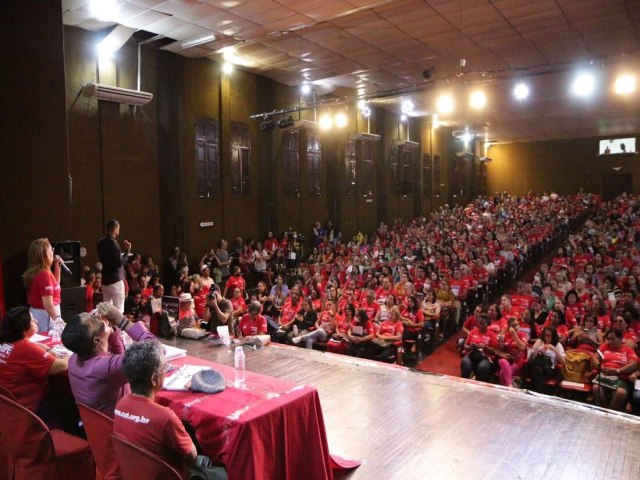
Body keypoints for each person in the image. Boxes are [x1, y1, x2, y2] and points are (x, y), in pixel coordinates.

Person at [113, 341, 226, 480]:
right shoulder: (165, 417)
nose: (165, 371)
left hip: (137, 472)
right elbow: (192, 457)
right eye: (164, 368)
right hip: (169, 475)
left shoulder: (120, 405)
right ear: (154, 379)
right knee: (222, 472)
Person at [61, 302, 156, 417]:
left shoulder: (74, 358)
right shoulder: (103, 368)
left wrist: (111, 328)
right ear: (96, 340)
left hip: (97, 428)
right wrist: (121, 321)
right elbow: (155, 351)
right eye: (94, 319)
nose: (97, 316)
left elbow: (118, 357)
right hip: (121, 428)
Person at [0, 306, 68, 416]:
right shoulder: (25, 348)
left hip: (7, 405)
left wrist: (46, 349)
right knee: (67, 399)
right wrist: (73, 353)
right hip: (26, 408)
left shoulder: (6, 343)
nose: (36, 321)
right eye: (32, 320)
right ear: (23, 328)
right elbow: (63, 366)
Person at [22, 238, 64, 332]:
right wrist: (61, 323)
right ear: (44, 255)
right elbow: (48, 305)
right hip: (45, 317)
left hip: (46, 314)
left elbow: (55, 285)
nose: (53, 252)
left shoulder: (41, 272)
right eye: (51, 250)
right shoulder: (44, 275)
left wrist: (57, 266)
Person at [593, 328, 638, 411]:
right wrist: (600, 367)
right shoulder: (604, 346)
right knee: (596, 388)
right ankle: (603, 410)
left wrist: (618, 371)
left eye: (613, 339)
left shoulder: (628, 349)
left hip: (620, 377)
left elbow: (634, 364)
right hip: (604, 374)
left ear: (620, 338)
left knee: (621, 392)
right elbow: (595, 357)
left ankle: (610, 412)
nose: (610, 341)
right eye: (608, 339)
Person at [98, 219, 132, 313]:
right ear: (116, 229)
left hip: (105, 281)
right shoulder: (114, 243)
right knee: (118, 310)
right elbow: (119, 263)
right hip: (115, 280)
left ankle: (106, 327)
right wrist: (127, 251)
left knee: (106, 310)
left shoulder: (100, 242)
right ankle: (117, 328)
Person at [460, 314, 498, 383]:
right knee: (465, 364)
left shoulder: (492, 335)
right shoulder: (473, 331)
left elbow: (494, 351)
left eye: (483, 324)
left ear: (487, 324)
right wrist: (471, 347)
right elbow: (465, 346)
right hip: (472, 354)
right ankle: (463, 383)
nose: (480, 325)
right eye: (479, 323)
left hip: (485, 356)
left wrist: (485, 347)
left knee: (482, 367)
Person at [528, 326, 565, 393]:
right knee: (537, 369)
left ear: (553, 336)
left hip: (549, 369)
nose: (547, 337)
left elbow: (563, 362)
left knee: (537, 370)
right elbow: (531, 356)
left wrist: (554, 349)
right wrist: (537, 350)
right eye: (545, 335)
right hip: (538, 365)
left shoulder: (558, 345)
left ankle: (535, 392)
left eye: (549, 335)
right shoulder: (540, 342)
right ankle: (538, 392)